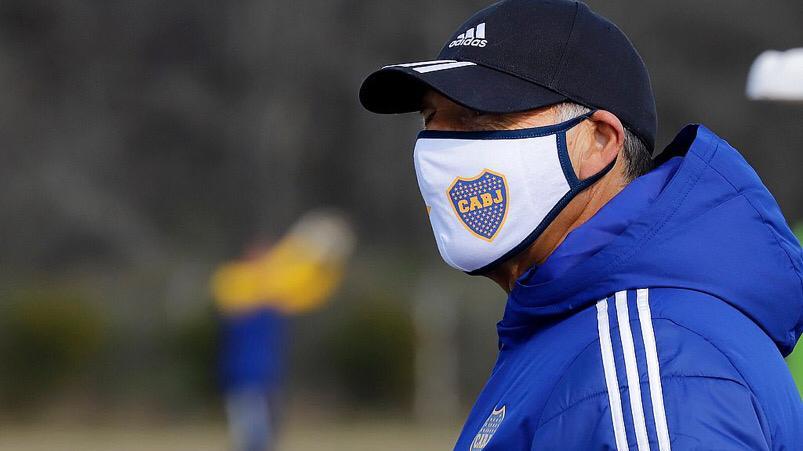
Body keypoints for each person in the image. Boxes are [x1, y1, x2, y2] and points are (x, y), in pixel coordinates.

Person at [358, 0, 803, 449]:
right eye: (431, 118)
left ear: (599, 141)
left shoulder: (653, 365)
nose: (440, 148)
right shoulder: (579, 326)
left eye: (477, 115)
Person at [212, 210, 354, 451]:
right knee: (253, 439)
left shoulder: (278, 291)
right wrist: (298, 246)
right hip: (243, 377)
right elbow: (248, 293)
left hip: (269, 376)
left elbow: (314, 292)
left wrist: (330, 266)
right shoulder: (232, 280)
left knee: (268, 437)